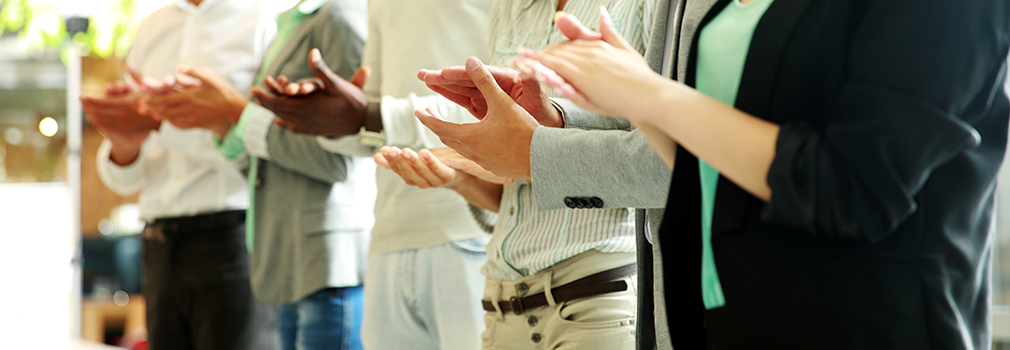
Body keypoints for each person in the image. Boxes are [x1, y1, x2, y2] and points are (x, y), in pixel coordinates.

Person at [428, 1, 1010, 348]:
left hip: (867, 323)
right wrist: (597, 100)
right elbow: (708, 152)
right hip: (728, 318)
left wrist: (646, 95)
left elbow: (851, 184)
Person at [371, 0, 664, 348]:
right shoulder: (509, 7)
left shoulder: (645, 6)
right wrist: (461, 178)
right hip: (502, 308)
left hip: (595, 300)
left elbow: (663, 157)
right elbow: (519, 196)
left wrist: (545, 135)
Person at [248, 0, 498, 349]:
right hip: (386, 238)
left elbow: (510, 102)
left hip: (470, 230)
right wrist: (326, 120)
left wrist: (368, 116)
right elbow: (370, 126)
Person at [134, 0, 371, 349]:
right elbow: (266, 155)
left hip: (323, 263)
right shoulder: (291, 20)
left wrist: (233, 110)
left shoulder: (338, 15)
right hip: (284, 262)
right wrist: (222, 121)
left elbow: (341, 158)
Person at [80, 0, 290, 348]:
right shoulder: (151, 28)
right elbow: (130, 177)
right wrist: (124, 143)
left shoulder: (265, 22)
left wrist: (159, 124)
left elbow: (267, 150)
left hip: (234, 242)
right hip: (159, 247)